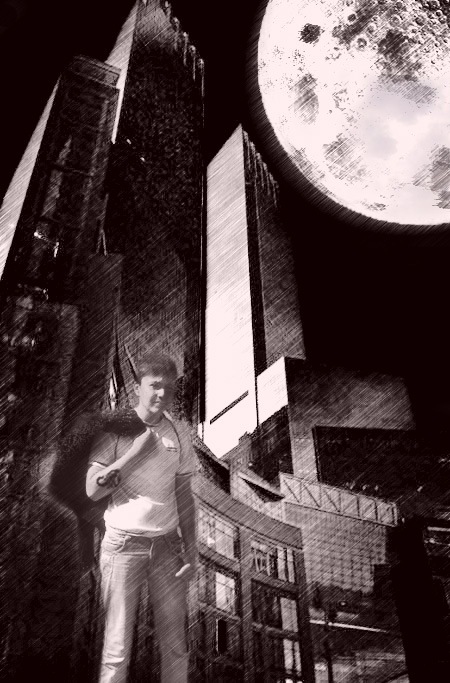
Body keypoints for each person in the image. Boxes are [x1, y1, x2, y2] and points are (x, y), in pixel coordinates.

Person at [85, 352, 197, 683]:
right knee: (117, 648)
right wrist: (134, 453)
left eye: (169, 388)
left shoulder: (180, 433)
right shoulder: (114, 429)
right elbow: (92, 491)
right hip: (122, 546)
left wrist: (192, 549)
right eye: (155, 386)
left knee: (176, 647)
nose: (162, 394)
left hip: (167, 547)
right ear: (137, 388)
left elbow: (184, 495)